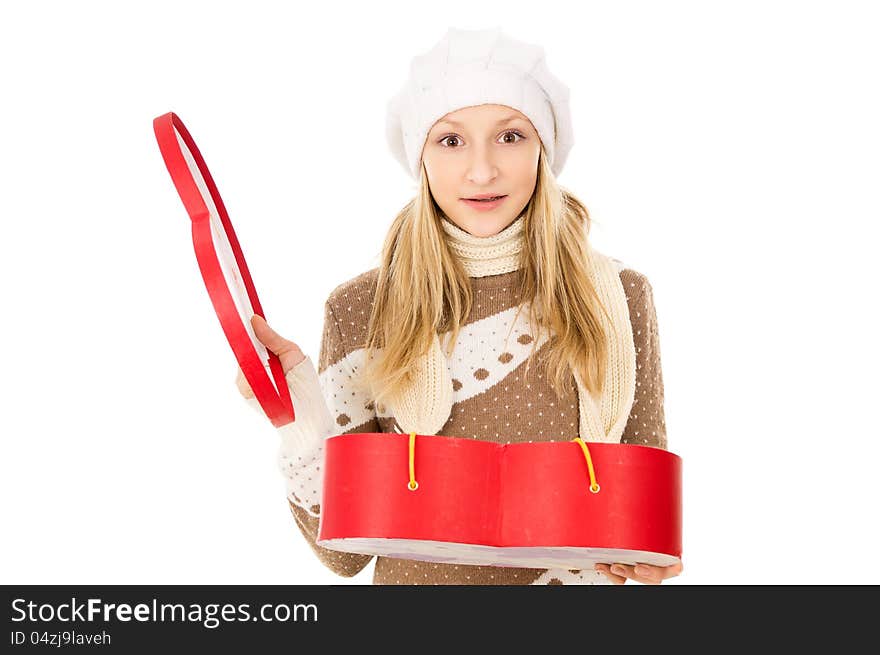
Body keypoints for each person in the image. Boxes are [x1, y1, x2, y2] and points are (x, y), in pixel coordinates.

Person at [236, 27, 682, 585]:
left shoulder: (620, 297)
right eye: (450, 140)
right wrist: (300, 422)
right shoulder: (360, 308)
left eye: (510, 136)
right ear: (419, 154)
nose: (481, 170)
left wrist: (646, 557)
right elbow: (344, 555)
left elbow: (641, 532)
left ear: (544, 150)